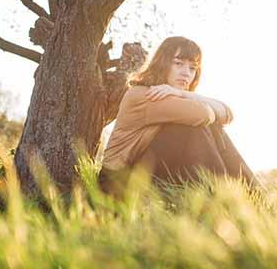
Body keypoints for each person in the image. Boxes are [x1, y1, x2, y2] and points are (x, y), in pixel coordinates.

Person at [98, 36, 261, 196]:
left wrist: (185, 94)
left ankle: (248, 197)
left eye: (192, 68)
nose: (186, 73)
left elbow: (228, 114)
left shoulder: (173, 96)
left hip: (142, 174)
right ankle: (228, 199)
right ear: (162, 63)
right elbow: (204, 114)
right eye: (178, 64)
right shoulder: (145, 95)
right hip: (116, 184)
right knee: (196, 127)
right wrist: (193, 101)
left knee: (212, 127)